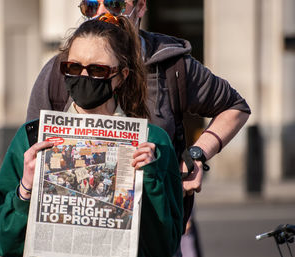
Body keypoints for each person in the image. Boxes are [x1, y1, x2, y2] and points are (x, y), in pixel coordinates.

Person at [0, 14, 183, 257]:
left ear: (121, 76)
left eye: (97, 70)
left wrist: (149, 178)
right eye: (73, 67)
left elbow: (163, 248)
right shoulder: (33, 137)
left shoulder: (152, 142)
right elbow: (1, 241)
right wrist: (25, 189)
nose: (83, 76)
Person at [26, 0, 251, 197]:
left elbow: (234, 107)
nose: (102, 14)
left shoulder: (173, 66)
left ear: (141, 6)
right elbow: (31, 147)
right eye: (91, 6)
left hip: (154, 232)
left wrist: (196, 156)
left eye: (115, 4)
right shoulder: (62, 69)